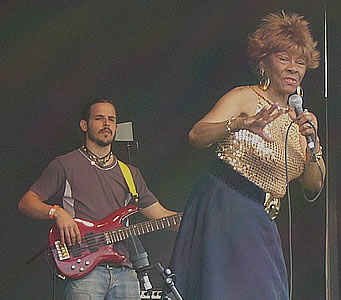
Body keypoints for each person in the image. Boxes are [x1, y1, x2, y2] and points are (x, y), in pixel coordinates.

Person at [170, 11, 325, 300]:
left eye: (300, 62)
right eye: (284, 58)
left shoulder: (302, 119)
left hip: (261, 217)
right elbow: (196, 135)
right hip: (224, 205)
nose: (293, 68)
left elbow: (313, 186)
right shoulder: (245, 97)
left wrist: (312, 141)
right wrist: (238, 123)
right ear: (264, 63)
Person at [18, 98, 178, 300]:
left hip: (125, 272)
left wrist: (194, 221)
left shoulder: (130, 173)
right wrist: (57, 212)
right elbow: (27, 202)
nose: (106, 124)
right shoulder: (65, 165)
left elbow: (160, 214)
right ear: (84, 125)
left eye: (111, 119)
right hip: (84, 271)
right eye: (99, 118)